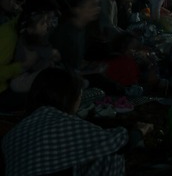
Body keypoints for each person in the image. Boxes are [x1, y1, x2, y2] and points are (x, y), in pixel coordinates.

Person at [2, 67, 151, 176]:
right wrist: (140, 131)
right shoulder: (60, 123)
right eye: (79, 95)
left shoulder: (17, 131)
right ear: (70, 97)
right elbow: (116, 144)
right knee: (109, 158)